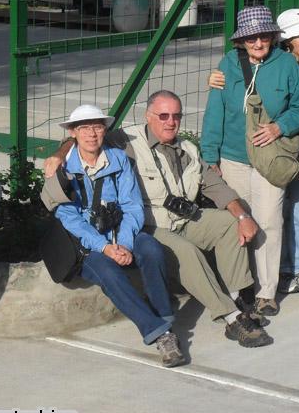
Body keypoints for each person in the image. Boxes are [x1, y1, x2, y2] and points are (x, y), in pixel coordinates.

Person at [44, 92, 273, 348]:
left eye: (176, 116)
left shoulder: (187, 148)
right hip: (151, 224)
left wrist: (242, 215)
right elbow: (86, 137)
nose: (170, 122)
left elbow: (214, 184)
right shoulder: (126, 140)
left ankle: (239, 300)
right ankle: (230, 317)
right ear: (148, 116)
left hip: (183, 220)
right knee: (185, 252)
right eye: (163, 116)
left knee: (229, 224)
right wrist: (60, 154)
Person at [208, 9, 299, 295]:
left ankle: (266, 290)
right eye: (250, 38)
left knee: (269, 222)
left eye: (263, 36)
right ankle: (241, 286)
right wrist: (209, 155)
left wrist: (279, 127)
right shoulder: (227, 64)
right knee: (238, 221)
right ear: (241, 41)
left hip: (271, 158)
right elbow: (215, 112)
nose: (258, 43)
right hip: (233, 157)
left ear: (273, 37)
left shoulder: (285, 64)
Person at [51, 104, 186, 367]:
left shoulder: (118, 159)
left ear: (105, 130)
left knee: (151, 248)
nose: (92, 134)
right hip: (87, 244)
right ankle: (160, 334)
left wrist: (123, 243)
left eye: (97, 127)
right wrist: (104, 247)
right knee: (108, 272)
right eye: (84, 128)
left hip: (120, 232)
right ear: (73, 133)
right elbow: (69, 218)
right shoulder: (63, 168)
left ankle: (164, 319)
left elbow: (132, 206)